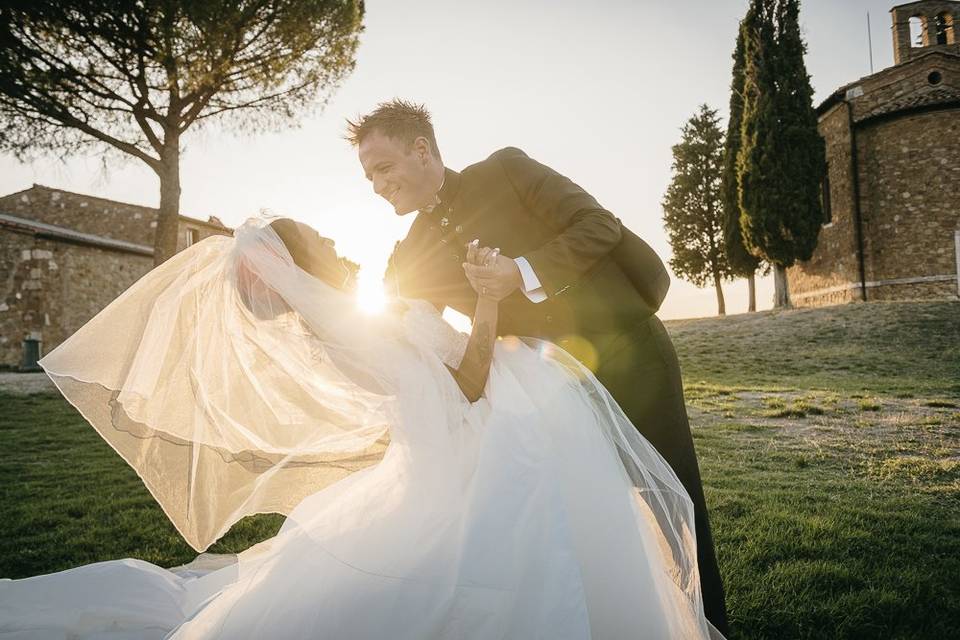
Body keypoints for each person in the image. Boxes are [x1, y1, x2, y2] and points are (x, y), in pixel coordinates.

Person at [0, 217, 722, 639]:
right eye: (314, 233)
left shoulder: (340, 318)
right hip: (472, 455)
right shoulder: (347, 321)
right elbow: (469, 385)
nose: (329, 235)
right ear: (297, 260)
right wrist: (488, 304)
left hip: (448, 452)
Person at [349, 99, 729, 634]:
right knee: (587, 519)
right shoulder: (411, 251)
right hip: (547, 394)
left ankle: (711, 624)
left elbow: (599, 225)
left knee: (671, 498)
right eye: (368, 176)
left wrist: (521, 271)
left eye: (383, 168)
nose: (376, 185)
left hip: (630, 352)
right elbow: (388, 318)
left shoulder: (506, 169)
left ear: (421, 149)